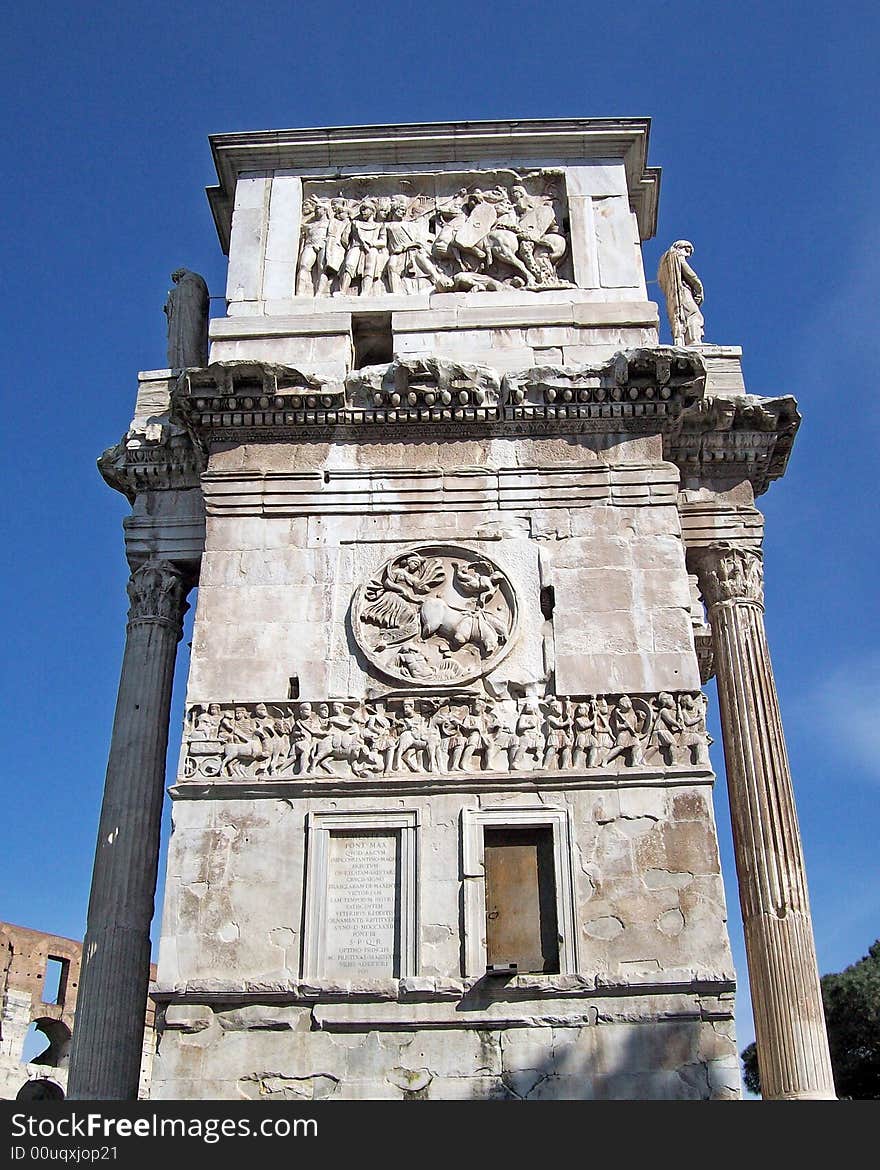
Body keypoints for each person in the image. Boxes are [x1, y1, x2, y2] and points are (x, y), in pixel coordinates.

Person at [657, 240, 704, 346]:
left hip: (672, 296)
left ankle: (681, 341)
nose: (687, 255)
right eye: (687, 250)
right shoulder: (677, 256)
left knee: (679, 317)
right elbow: (690, 275)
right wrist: (699, 288)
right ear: (680, 248)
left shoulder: (664, 262)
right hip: (683, 291)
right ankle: (694, 341)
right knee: (694, 315)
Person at [164, 268, 209, 367]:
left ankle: (188, 363)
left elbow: (186, 296)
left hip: (189, 318)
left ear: (179, 276)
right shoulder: (196, 280)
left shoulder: (190, 280)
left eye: (176, 281)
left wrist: (173, 295)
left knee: (188, 341)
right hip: (191, 317)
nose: (177, 284)